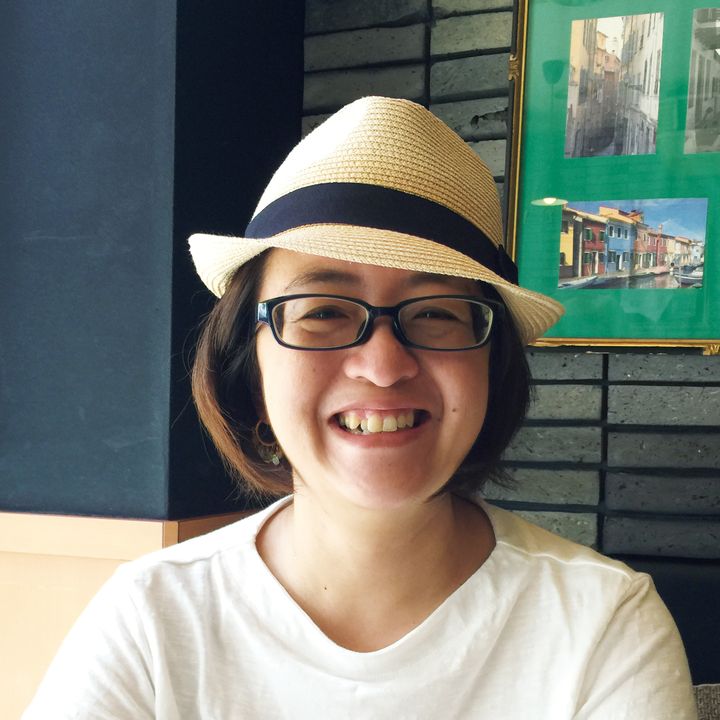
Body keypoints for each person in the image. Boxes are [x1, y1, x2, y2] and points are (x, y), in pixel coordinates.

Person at [23, 96, 696, 719]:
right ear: (250, 369)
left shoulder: (602, 625)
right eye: (322, 311)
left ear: (491, 367)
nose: (382, 366)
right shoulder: (152, 619)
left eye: (435, 312)